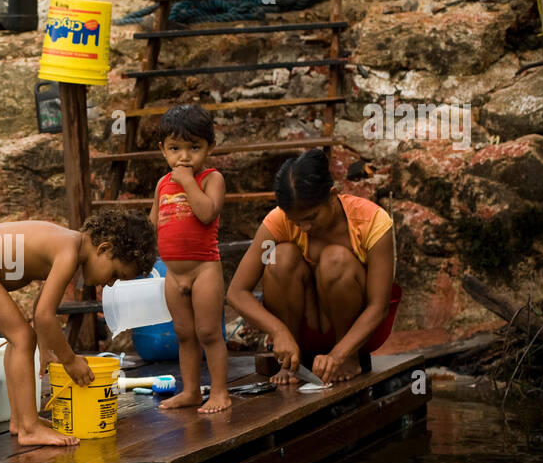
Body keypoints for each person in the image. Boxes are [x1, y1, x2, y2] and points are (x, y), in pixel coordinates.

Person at [0, 211, 157, 447]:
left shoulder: (69, 246)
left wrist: (46, 346)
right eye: (116, 274)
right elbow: (44, 315)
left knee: (20, 338)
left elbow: (41, 305)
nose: (109, 283)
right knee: (22, 337)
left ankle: (20, 420)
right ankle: (29, 429)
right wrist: (69, 360)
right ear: (104, 249)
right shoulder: (68, 252)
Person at [225, 148, 400, 385]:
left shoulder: (371, 222)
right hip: (303, 327)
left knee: (335, 259)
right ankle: (292, 361)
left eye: (311, 217)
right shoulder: (278, 221)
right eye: (296, 221)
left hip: (355, 333)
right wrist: (278, 332)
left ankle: (349, 358)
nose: (304, 227)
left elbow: (378, 307)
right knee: (280, 257)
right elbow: (237, 292)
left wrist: (340, 354)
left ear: (332, 195)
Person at [149, 104, 231, 413]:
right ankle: (191, 391)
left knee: (208, 333)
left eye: (194, 147)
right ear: (163, 150)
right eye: (175, 148)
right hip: (172, 273)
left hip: (204, 269)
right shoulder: (161, 184)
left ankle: (220, 392)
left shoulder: (212, 179)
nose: (184, 157)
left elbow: (207, 213)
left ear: (210, 147)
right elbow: (154, 222)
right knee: (183, 335)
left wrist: (186, 182)